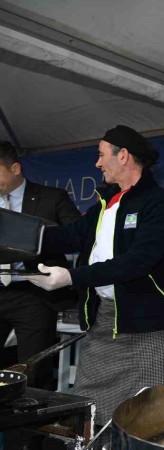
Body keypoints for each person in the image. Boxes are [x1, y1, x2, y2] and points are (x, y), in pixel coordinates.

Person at [24, 125, 164, 429]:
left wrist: (70, 277)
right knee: (90, 410)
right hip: (104, 320)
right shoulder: (104, 204)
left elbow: (135, 263)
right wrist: (16, 237)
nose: (97, 163)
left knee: (152, 414)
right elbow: (69, 236)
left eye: (101, 155)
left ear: (123, 155)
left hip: (148, 326)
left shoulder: (161, 204)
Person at [0, 140, 81, 390]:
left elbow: (76, 235)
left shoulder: (52, 197)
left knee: (33, 371)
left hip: (33, 293)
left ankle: (31, 416)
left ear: (15, 168)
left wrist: (32, 236)